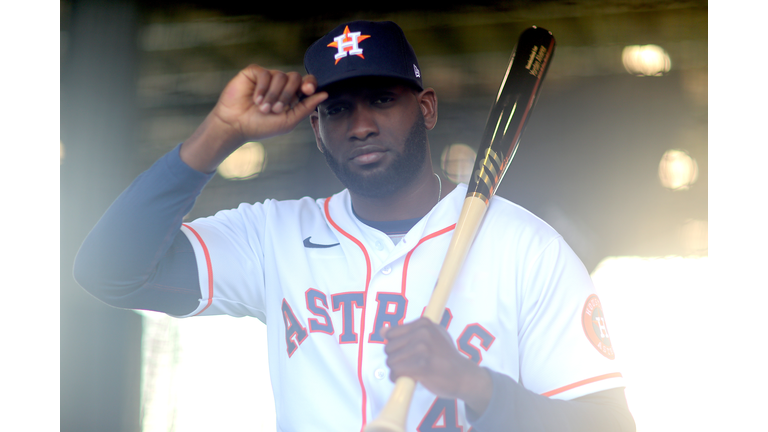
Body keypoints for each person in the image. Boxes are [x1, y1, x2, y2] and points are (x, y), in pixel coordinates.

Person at [74, 20, 635, 432]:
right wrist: (221, 131)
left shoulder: (525, 246)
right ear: (316, 128)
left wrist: (474, 385)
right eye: (338, 109)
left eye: (383, 98)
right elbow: (110, 272)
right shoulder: (273, 237)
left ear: (427, 108)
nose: (361, 125)